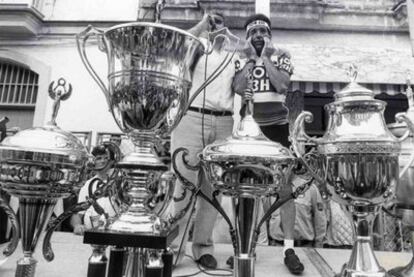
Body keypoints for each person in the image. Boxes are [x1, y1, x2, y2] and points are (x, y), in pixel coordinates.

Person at [231, 13, 304, 275]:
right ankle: (247, 245)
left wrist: (266, 59)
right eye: (253, 32)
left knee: (283, 190)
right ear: (248, 36)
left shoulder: (282, 53)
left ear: (269, 34)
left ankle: (288, 248)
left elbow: (283, 85)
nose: (258, 36)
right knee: (246, 188)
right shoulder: (241, 55)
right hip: (249, 126)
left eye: (263, 31)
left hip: (276, 127)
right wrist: (252, 59)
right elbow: (239, 88)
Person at [169, 12, 238, 269]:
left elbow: (241, 86)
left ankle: (203, 247)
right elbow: (179, 45)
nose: (217, 26)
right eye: (213, 21)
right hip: (193, 116)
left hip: (223, 121)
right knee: (184, 183)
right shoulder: (198, 48)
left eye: (221, 21)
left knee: (212, 190)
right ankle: (173, 249)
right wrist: (203, 23)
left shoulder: (233, 56)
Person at [71, 144, 119, 234]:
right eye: (99, 158)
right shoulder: (88, 184)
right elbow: (78, 214)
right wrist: (77, 226)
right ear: (93, 161)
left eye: (106, 158)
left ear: (112, 161)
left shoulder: (120, 180)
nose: (103, 161)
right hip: (92, 234)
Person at [268, 180, 327, 249]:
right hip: (278, 246)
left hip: (303, 246)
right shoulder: (272, 190)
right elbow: (265, 217)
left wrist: (319, 244)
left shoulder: (310, 189)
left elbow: (320, 219)